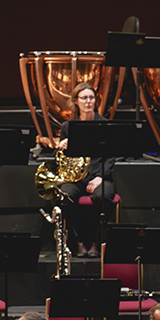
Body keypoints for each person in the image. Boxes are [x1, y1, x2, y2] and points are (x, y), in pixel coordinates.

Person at [53, 81, 116, 258]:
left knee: (103, 196)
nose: (88, 102)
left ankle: (96, 240)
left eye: (91, 98)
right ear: (76, 101)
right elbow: (61, 160)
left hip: (100, 176)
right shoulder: (68, 127)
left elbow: (111, 156)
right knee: (65, 196)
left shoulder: (105, 125)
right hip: (76, 179)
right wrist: (61, 148)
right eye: (84, 98)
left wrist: (100, 177)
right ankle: (79, 240)